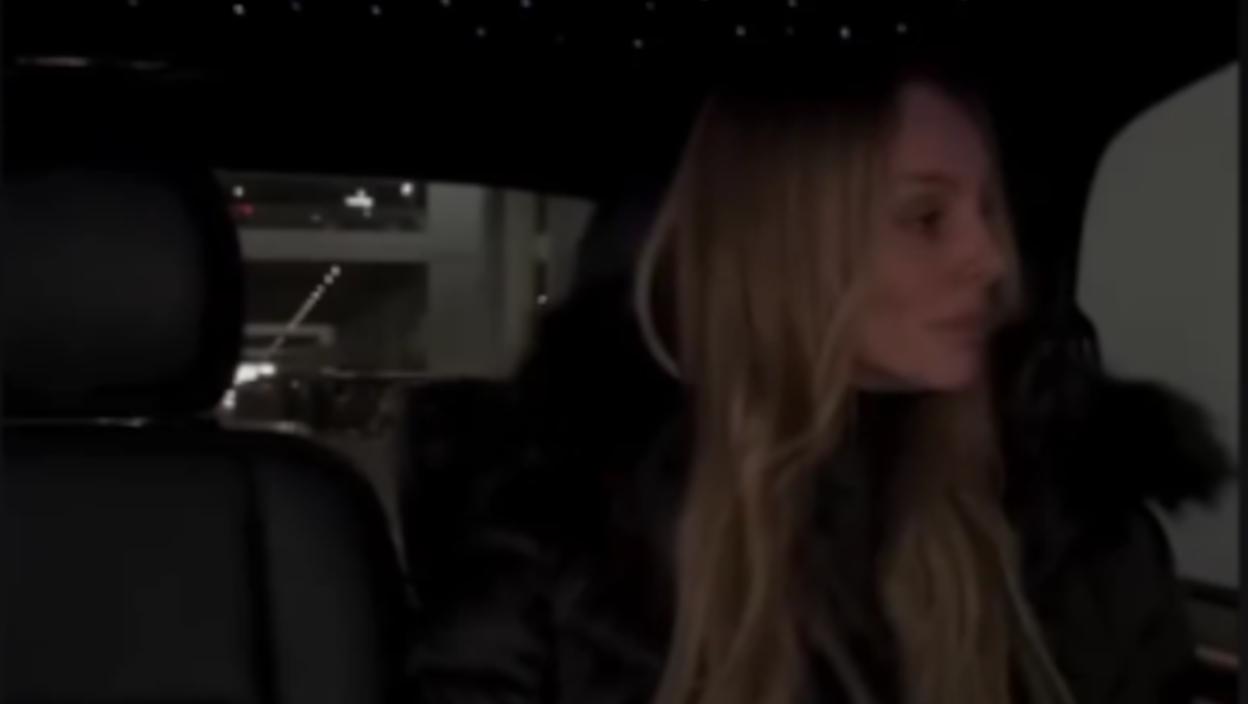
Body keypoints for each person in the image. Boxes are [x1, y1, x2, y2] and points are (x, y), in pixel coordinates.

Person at [404, 56, 1229, 704]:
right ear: (785, 253)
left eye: (989, 210)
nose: (991, 260)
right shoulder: (560, 536)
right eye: (926, 218)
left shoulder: (1072, 534)